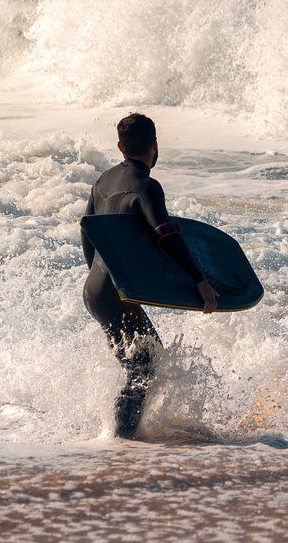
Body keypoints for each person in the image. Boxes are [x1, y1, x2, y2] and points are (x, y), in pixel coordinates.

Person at [81, 113, 218, 439]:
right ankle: (119, 439)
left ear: (120, 147)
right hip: (114, 293)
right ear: (155, 145)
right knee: (145, 363)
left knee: (140, 361)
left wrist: (104, 280)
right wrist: (199, 279)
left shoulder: (101, 183)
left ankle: (116, 434)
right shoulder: (146, 185)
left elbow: (88, 233)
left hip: (96, 290)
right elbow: (165, 233)